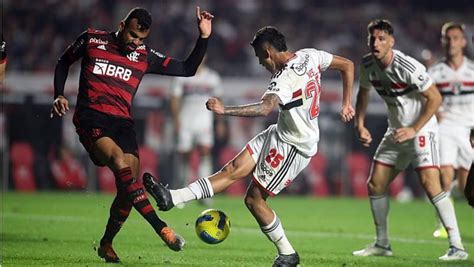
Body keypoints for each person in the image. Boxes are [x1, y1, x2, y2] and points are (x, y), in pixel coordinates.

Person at [144, 26, 355, 267]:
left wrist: (225, 111)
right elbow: (347, 65)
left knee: (254, 200)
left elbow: (265, 108)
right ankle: (173, 197)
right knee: (232, 169)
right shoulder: (310, 55)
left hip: (293, 145)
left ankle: (288, 253)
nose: (260, 64)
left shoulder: (283, 80)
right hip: (279, 132)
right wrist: (346, 103)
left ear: (267, 51)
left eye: (259, 58)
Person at [50, 7, 214, 263]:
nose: (136, 43)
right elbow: (63, 61)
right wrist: (59, 94)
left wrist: (203, 37)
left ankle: (106, 243)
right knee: (119, 162)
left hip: (122, 123)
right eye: (133, 36)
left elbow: (187, 68)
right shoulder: (92, 39)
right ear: (122, 24)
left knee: (128, 187)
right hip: (91, 116)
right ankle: (162, 228)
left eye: (141, 39)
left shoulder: (144, 55)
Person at [352, 19, 468, 261]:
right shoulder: (367, 64)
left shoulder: (407, 66)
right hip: (396, 131)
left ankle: (457, 247)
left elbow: (435, 99)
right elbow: (363, 93)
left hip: (422, 129)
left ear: (391, 41)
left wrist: (415, 128)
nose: (376, 43)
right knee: (375, 184)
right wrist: (359, 123)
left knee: (430, 184)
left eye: (382, 38)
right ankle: (382, 244)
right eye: (372, 38)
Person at [427, 22, 474, 237]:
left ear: (463, 41)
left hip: (469, 129)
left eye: (456, 38)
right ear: (443, 41)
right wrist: (434, 111)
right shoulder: (435, 72)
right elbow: (425, 98)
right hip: (444, 128)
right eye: (448, 38)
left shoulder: (472, 71)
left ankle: (453, 192)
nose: (452, 42)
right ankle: (444, 225)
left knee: (467, 186)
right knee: (445, 175)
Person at [169, 58, 222, 201]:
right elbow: (174, 99)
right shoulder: (182, 76)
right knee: (184, 155)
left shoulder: (212, 77)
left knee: (205, 152)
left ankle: (205, 193)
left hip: (204, 121)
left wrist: (220, 123)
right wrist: (176, 121)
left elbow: (219, 100)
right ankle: (181, 190)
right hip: (185, 120)